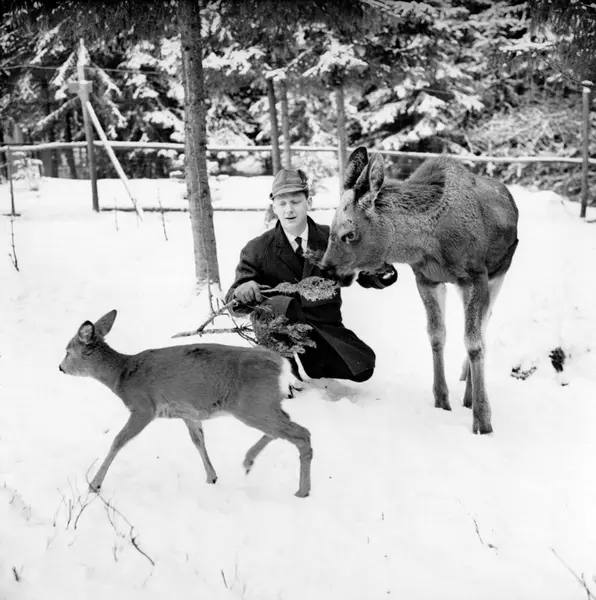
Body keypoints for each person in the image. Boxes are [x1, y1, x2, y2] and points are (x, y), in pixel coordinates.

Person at [225, 168, 398, 383]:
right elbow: (234, 301)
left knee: (362, 368)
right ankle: (282, 368)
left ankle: (317, 361)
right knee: (280, 304)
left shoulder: (333, 238)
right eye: (282, 203)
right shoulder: (257, 249)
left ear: (309, 202)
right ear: (274, 207)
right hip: (278, 331)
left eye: (295, 202)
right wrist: (242, 292)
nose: (289, 209)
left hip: (322, 327)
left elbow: (366, 273)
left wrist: (382, 271)